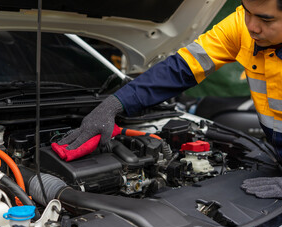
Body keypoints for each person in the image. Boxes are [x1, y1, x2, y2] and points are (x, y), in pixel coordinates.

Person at [59, 0, 282, 199]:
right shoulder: (241, 26)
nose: (251, 26)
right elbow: (180, 69)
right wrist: (113, 105)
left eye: (265, 18)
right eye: (246, 11)